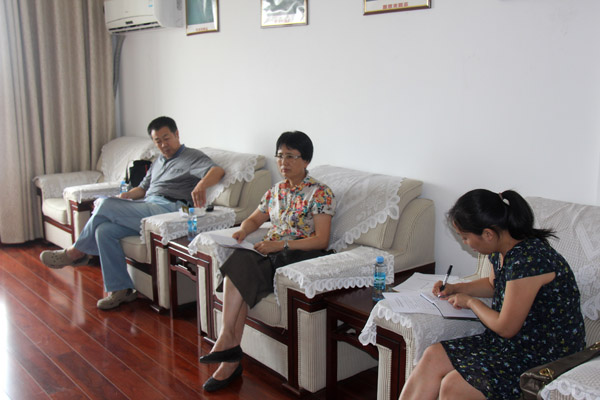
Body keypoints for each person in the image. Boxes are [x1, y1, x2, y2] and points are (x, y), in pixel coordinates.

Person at [399, 189, 585, 400]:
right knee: (433, 355)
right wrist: (457, 288)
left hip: (544, 355)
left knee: (454, 385)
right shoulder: (501, 250)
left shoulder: (529, 260)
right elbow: (493, 285)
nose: (465, 243)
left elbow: (506, 328)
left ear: (488, 234)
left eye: (465, 237)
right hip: (512, 345)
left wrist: (471, 302)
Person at [40, 116, 225, 310]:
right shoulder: (157, 162)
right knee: (104, 230)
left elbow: (217, 171)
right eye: (158, 141)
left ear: (177, 134)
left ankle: (76, 252)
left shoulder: (191, 156)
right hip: (146, 205)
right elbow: (142, 189)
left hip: (168, 209)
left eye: (166, 138)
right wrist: (126, 196)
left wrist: (201, 185)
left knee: (104, 204)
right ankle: (122, 290)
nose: (163, 144)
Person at [198, 131, 336, 392]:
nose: (283, 162)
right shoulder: (276, 191)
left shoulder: (320, 193)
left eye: (291, 156)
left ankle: (227, 348)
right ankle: (229, 351)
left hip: (298, 256)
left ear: (306, 160)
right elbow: (254, 218)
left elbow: (321, 240)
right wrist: (242, 231)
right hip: (272, 254)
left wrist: (281, 244)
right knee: (239, 264)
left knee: (241, 269)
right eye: (280, 156)